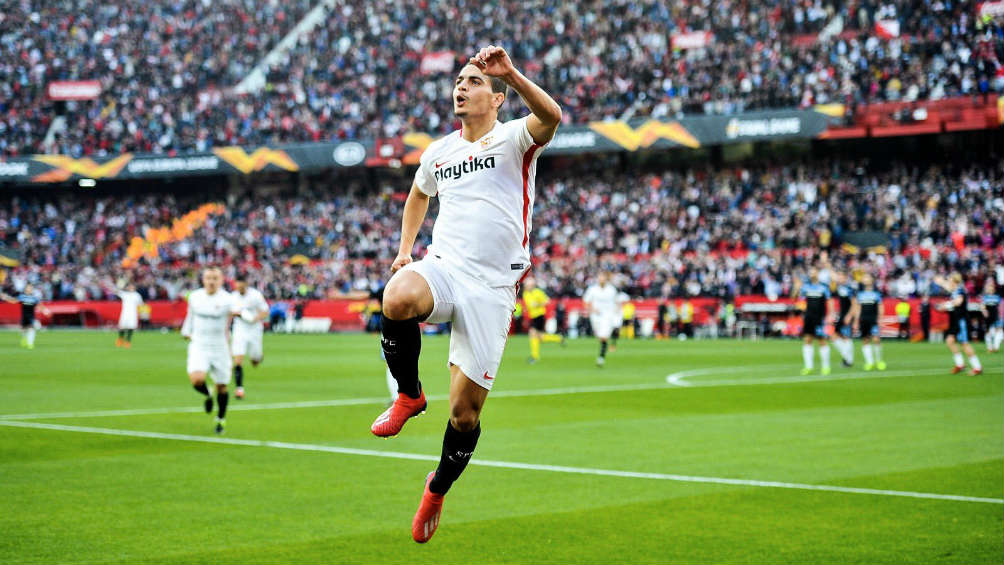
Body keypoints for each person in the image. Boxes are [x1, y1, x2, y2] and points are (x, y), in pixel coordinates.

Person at [370, 45, 561, 543]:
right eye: (459, 80)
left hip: (494, 288)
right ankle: (409, 396)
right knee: (396, 296)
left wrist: (512, 73)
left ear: (497, 99)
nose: (461, 87)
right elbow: (418, 195)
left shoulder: (514, 138)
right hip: (445, 268)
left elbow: (552, 116)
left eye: (474, 82)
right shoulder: (439, 151)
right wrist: (405, 250)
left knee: (464, 413)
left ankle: (437, 488)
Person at [180, 266, 240, 434]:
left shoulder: (228, 299)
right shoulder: (195, 297)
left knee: (222, 386)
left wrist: (240, 314)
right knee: (197, 380)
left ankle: (221, 419)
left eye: (215, 278)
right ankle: (207, 393)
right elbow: (190, 315)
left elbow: (239, 312)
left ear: (221, 280)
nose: (211, 281)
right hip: (199, 344)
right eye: (208, 278)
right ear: (203, 280)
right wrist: (186, 331)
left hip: (220, 346)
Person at [934, 273, 982, 375]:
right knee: (950, 341)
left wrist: (946, 305)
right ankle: (960, 365)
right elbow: (948, 288)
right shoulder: (955, 290)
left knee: (964, 344)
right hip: (955, 320)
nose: (949, 282)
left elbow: (958, 302)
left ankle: (977, 367)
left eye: (950, 280)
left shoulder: (959, 290)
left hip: (961, 321)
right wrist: (941, 282)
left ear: (954, 281)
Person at [231, 275, 269, 400]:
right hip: (239, 329)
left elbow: (265, 311)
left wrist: (254, 319)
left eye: (242, 286)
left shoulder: (256, 295)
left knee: (255, 361)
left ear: (246, 285)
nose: (240, 288)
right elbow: (230, 312)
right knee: (238, 359)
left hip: (254, 329)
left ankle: (258, 356)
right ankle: (239, 389)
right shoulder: (232, 297)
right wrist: (236, 313)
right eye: (238, 285)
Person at [793, 267, 832, 375]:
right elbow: (795, 298)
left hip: (819, 317)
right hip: (808, 317)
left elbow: (829, 301)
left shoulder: (824, 287)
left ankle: (826, 366)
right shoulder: (806, 286)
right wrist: (796, 288)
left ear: (817, 273)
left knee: (822, 340)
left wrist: (830, 315)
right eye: (810, 272)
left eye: (813, 271)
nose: (811, 274)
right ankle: (808, 367)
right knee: (807, 340)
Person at [583, 271, 623, 366]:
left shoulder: (611, 289)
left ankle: (601, 357)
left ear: (606, 279)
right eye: (599, 277)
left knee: (603, 337)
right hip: (595, 316)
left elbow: (617, 301)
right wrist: (592, 309)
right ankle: (606, 346)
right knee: (599, 337)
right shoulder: (592, 289)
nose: (601, 279)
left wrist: (617, 312)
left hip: (607, 315)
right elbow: (585, 302)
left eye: (603, 277)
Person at [848, 274, 886, 371]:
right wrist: (856, 321)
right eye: (864, 277)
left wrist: (880, 319)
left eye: (867, 277)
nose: (865, 279)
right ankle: (869, 362)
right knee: (865, 340)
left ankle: (879, 361)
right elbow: (858, 308)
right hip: (863, 319)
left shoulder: (877, 293)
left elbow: (880, 306)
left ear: (872, 280)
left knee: (876, 339)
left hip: (873, 319)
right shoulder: (859, 294)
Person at [521, 277, 562, 364]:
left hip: (539, 316)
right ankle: (557, 338)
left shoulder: (537, 292)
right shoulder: (525, 294)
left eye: (528, 285)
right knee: (539, 337)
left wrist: (538, 304)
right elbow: (528, 305)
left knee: (532, 334)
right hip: (533, 317)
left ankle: (535, 356)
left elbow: (547, 301)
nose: (527, 287)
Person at [2, 284, 50, 349]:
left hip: (31, 317)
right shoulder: (22, 297)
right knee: (23, 330)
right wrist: (6, 297)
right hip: (24, 316)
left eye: (31, 288)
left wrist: (46, 311)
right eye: (28, 288)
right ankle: (24, 339)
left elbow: (40, 306)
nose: (30, 289)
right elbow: (13, 301)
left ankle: (30, 344)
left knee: (31, 329)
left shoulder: (34, 298)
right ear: (25, 289)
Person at [831, 272, 855, 367]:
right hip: (841, 315)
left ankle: (848, 360)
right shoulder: (839, 288)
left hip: (847, 315)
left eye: (841, 277)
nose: (839, 279)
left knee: (846, 337)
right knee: (835, 336)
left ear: (845, 278)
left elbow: (854, 304)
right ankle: (847, 358)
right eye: (839, 277)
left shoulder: (850, 288)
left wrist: (849, 315)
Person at [115, 283, 144, 348]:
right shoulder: (124, 294)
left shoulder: (137, 295)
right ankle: (120, 339)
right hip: (125, 313)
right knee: (122, 327)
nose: (131, 288)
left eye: (132, 287)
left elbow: (141, 304)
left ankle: (128, 341)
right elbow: (116, 291)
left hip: (133, 314)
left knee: (131, 327)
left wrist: (141, 312)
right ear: (128, 287)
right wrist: (119, 286)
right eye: (129, 287)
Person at [981, 279, 1002, 352]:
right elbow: (982, 306)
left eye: (991, 287)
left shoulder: (997, 297)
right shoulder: (985, 297)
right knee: (987, 332)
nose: (989, 288)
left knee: (998, 330)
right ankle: (990, 348)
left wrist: (1000, 315)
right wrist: (984, 311)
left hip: (996, 316)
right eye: (988, 287)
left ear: (993, 288)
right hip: (988, 316)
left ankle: (996, 347)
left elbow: (1000, 307)